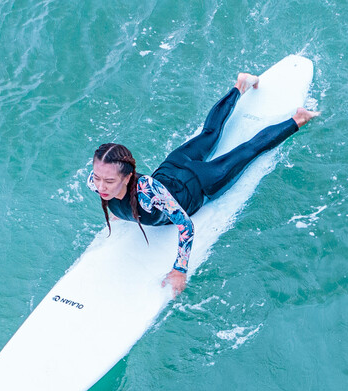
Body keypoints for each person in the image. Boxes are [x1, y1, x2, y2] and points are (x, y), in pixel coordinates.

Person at [87, 72, 319, 296]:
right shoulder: (96, 182)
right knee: (209, 133)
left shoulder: (148, 192)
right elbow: (108, 188)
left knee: (248, 150)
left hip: (199, 183)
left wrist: (179, 270)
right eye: (98, 178)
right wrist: (121, 209)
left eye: (109, 181)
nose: (101, 186)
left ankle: (299, 118)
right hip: (173, 165)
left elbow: (185, 225)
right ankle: (241, 84)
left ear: (128, 177)